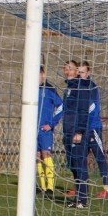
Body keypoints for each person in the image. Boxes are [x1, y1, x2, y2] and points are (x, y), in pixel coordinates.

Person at [61, 60, 93, 209]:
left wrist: (79, 131)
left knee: (80, 165)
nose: (68, 72)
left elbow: (83, 110)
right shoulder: (68, 88)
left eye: (71, 69)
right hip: (68, 132)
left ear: (76, 72)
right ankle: (78, 198)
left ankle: (82, 200)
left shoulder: (81, 87)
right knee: (73, 166)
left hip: (77, 133)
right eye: (65, 69)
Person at [79, 61, 108, 199]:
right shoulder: (78, 86)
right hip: (81, 129)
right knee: (80, 158)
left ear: (88, 73)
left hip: (92, 128)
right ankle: (80, 188)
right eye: (78, 72)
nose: (80, 75)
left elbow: (92, 107)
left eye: (82, 72)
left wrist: (82, 120)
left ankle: (107, 189)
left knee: (100, 158)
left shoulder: (91, 87)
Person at [37, 65, 63, 201]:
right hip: (33, 130)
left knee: (46, 154)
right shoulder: (30, 89)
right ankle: (42, 186)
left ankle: (50, 187)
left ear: (43, 75)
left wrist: (51, 123)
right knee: (37, 157)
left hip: (45, 130)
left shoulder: (50, 90)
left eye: (38, 75)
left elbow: (61, 106)